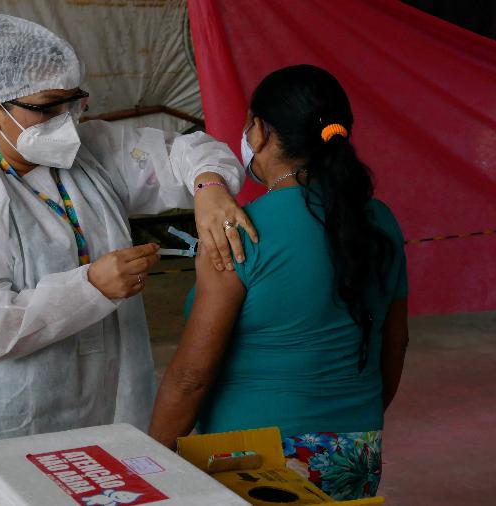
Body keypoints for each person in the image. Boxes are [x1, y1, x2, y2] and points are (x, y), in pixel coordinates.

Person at [0, 15, 257, 506]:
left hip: (105, 405)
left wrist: (208, 184)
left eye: (74, 102)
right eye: (49, 108)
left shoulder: (87, 156)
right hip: (13, 421)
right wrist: (91, 286)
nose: (67, 121)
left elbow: (186, 151)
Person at [148, 65, 409, 500]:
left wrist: (151, 460)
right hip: (356, 450)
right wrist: (347, 428)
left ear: (262, 133)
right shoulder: (380, 220)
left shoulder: (239, 229)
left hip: (253, 459)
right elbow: (395, 341)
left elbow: (192, 375)